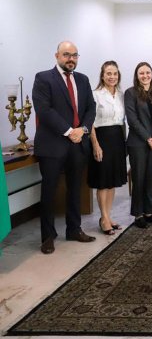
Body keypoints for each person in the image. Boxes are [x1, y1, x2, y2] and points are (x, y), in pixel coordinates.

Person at [32, 41, 97, 254]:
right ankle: (48, 236)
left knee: (75, 189)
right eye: (66, 54)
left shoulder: (83, 79)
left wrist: (83, 129)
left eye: (75, 55)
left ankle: (74, 229)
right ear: (57, 56)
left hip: (78, 145)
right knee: (49, 191)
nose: (71, 59)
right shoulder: (43, 78)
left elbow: (91, 108)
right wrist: (70, 131)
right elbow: (44, 111)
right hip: (53, 145)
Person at [124, 62, 152, 228]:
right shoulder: (130, 93)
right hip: (138, 143)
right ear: (137, 76)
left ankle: (149, 212)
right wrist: (149, 138)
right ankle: (138, 214)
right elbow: (132, 120)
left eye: (148, 72)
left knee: (150, 178)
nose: (145, 76)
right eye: (141, 73)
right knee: (139, 178)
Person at [87, 60, 127, 235]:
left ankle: (108, 217)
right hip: (101, 138)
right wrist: (95, 144)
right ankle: (103, 219)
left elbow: (123, 121)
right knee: (103, 181)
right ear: (102, 76)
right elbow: (90, 122)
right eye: (108, 73)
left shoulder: (121, 95)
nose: (112, 77)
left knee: (112, 182)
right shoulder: (95, 95)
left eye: (115, 73)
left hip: (117, 138)